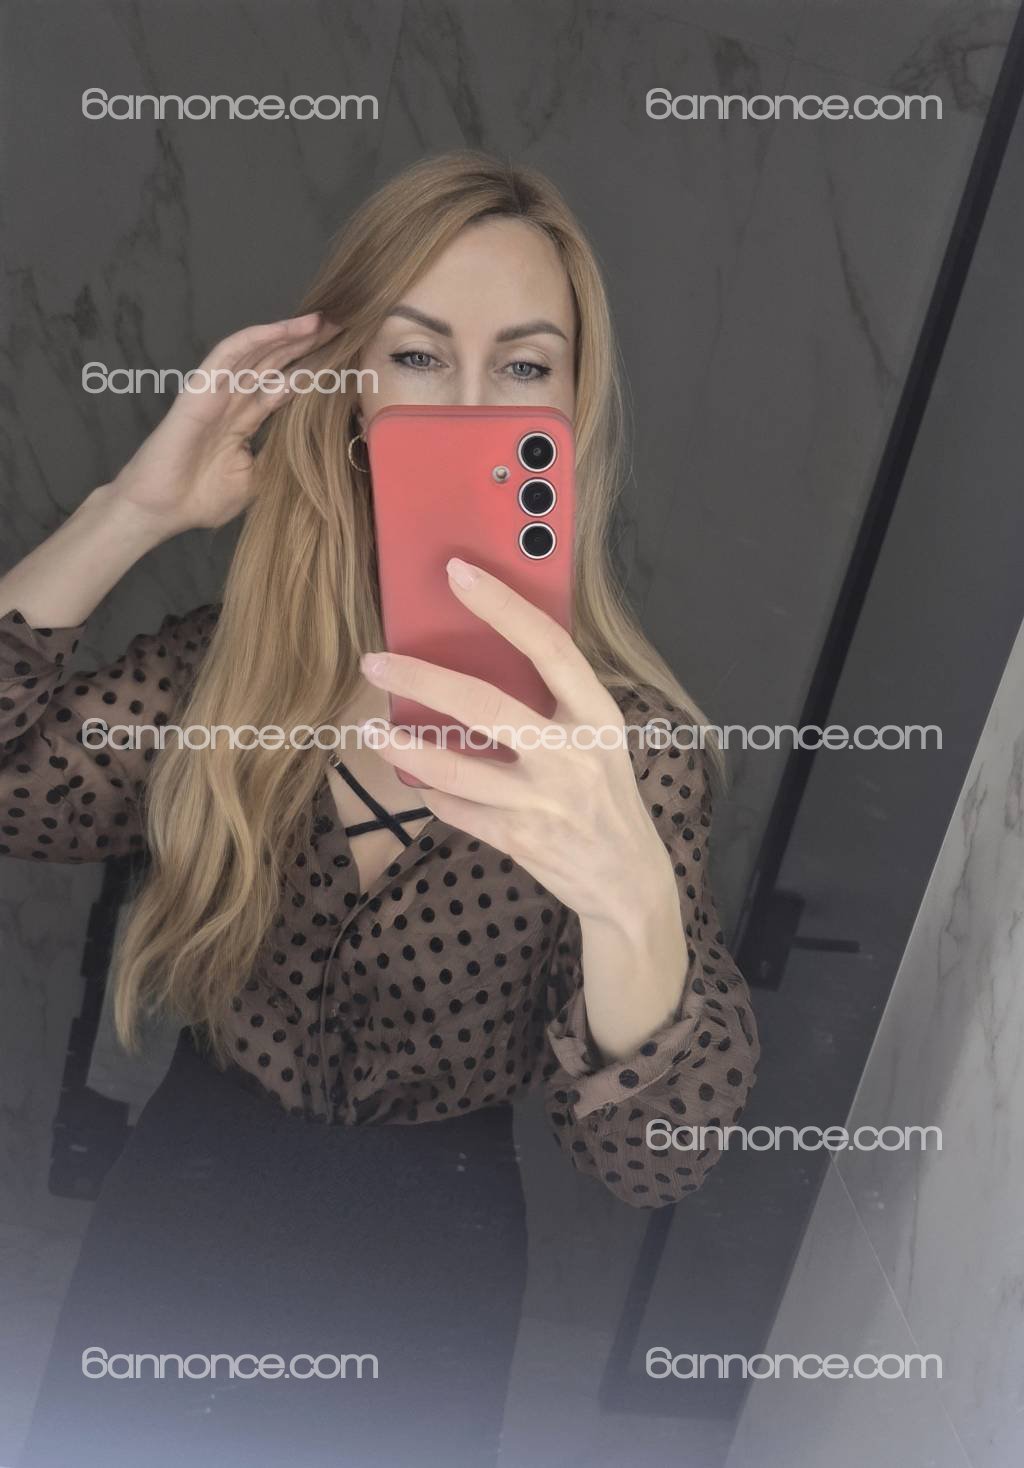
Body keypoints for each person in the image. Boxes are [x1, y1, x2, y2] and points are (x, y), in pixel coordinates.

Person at [1, 152, 759, 1468]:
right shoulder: (225, 672)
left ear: (574, 405)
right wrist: (132, 511)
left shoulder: (625, 754)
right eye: (417, 355)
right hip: (178, 1224)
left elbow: (657, 1157)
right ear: (351, 388)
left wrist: (630, 895)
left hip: (429, 1279)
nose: (467, 404)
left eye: (524, 365)